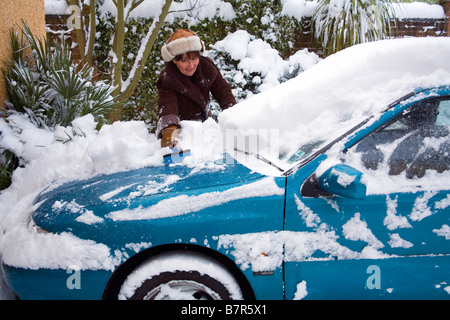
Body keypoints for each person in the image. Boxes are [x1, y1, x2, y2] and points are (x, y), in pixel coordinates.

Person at [156, 29, 236, 148]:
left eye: (194, 58)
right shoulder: (168, 78)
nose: (191, 65)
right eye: (184, 60)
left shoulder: (207, 68)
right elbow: (167, 106)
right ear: (174, 60)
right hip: (182, 129)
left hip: (205, 123)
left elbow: (224, 93)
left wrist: (235, 116)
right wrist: (170, 132)